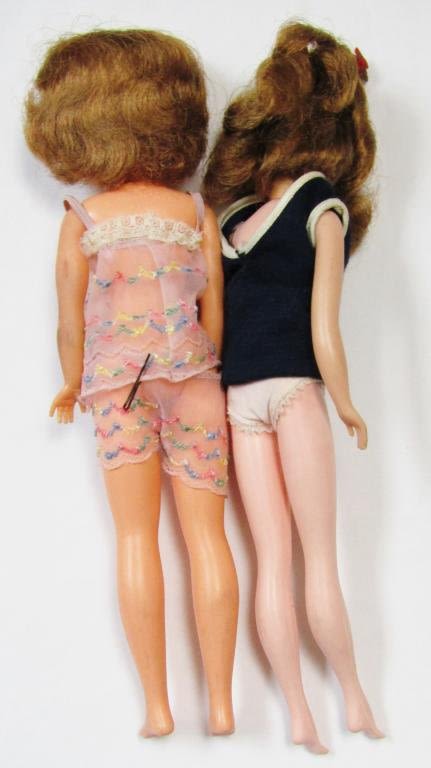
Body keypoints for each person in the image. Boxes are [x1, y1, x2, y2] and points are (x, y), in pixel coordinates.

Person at [24, 29, 238, 738]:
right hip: (197, 380)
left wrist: (69, 383)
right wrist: (202, 366)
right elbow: (214, 314)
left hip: (118, 386)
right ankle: (221, 704)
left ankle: (157, 707)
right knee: (208, 539)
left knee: (136, 538)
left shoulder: (84, 218)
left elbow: (69, 322)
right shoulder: (195, 212)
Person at [203, 21, 384, 753]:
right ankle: (354, 697)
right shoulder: (320, 204)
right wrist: (344, 401)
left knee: (271, 562)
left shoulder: (229, 223)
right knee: (318, 558)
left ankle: (300, 716)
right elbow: (323, 327)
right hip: (293, 390)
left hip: (236, 399)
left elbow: (215, 326)